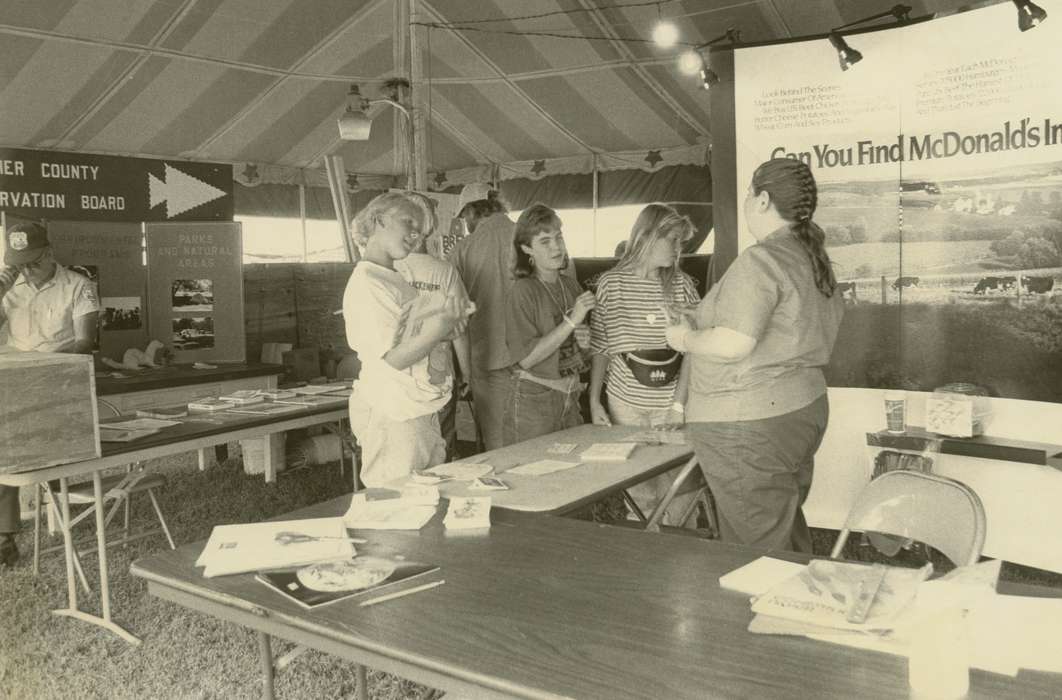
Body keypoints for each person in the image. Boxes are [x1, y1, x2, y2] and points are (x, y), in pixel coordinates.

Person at [665, 158, 844, 552]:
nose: (745, 201)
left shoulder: (760, 260)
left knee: (756, 549)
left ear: (762, 200)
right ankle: (797, 604)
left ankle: (767, 611)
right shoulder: (810, 256)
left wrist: (684, 339)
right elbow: (784, 326)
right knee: (782, 525)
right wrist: (700, 317)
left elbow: (734, 344)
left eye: (748, 193)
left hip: (749, 423)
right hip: (800, 412)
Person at [343, 192, 467, 487]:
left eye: (420, 230)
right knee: (396, 504)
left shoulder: (393, 277)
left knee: (426, 494)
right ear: (378, 220)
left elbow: (412, 338)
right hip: (394, 412)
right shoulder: (368, 283)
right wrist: (440, 327)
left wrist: (445, 331)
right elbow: (392, 358)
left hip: (416, 407)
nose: (415, 234)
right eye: (408, 222)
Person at [588, 204, 701, 525]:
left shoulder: (681, 285)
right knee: (640, 490)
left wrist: (679, 405)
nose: (679, 250)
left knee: (679, 490)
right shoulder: (612, 284)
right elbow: (601, 345)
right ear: (648, 236)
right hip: (626, 402)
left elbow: (694, 350)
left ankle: (682, 557)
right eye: (674, 240)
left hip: (669, 403)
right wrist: (595, 399)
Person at [0, 221, 99, 567]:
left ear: (50, 252)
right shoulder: (10, 290)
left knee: (54, 454)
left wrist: (43, 364)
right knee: (3, 454)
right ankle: (5, 538)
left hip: (60, 383)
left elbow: (86, 342)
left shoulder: (78, 285)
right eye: (19, 262)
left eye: (33, 260)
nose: (26, 268)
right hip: (13, 387)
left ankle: (61, 514)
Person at [503, 204, 594, 445]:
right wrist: (571, 321)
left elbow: (578, 354)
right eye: (545, 241)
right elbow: (527, 360)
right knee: (532, 476)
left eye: (559, 237)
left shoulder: (571, 285)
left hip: (570, 397)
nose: (556, 247)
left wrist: (586, 343)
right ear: (526, 248)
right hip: (535, 401)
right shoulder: (523, 291)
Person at [395, 192, 473, 461]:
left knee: (403, 449)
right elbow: (459, 329)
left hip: (396, 375)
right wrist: (468, 374)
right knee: (442, 441)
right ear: (430, 226)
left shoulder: (385, 268)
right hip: (436, 373)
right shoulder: (444, 271)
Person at [447, 183, 515, 450]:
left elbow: (453, 310)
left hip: (487, 356)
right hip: (536, 353)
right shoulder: (535, 237)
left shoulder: (462, 250)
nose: (465, 224)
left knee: (495, 435)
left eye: (465, 217)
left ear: (473, 211)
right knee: (536, 433)